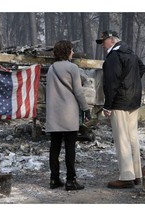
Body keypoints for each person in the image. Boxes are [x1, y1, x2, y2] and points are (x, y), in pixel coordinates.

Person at [96, 30, 145, 189]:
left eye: (103, 42)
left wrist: (107, 105)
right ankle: (137, 174)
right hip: (133, 100)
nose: (102, 45)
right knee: (132, 137)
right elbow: (141, 68)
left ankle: (126, 176)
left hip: (119, 102)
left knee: (122, 138)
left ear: (111, 40)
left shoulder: (113, 56)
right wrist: (131, 84)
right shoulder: (130, 52)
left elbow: (111, 83)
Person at [45, 40, 91, 191]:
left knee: (54, 147)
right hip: (69, 113)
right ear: (67, 51)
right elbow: (78, 91)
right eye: (71, 50)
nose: (72, 52)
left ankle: (54, 179)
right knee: (70, 148)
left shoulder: (51, 68)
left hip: (54, 114)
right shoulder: (72, 68)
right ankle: (71, 180)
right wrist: (85, 108)